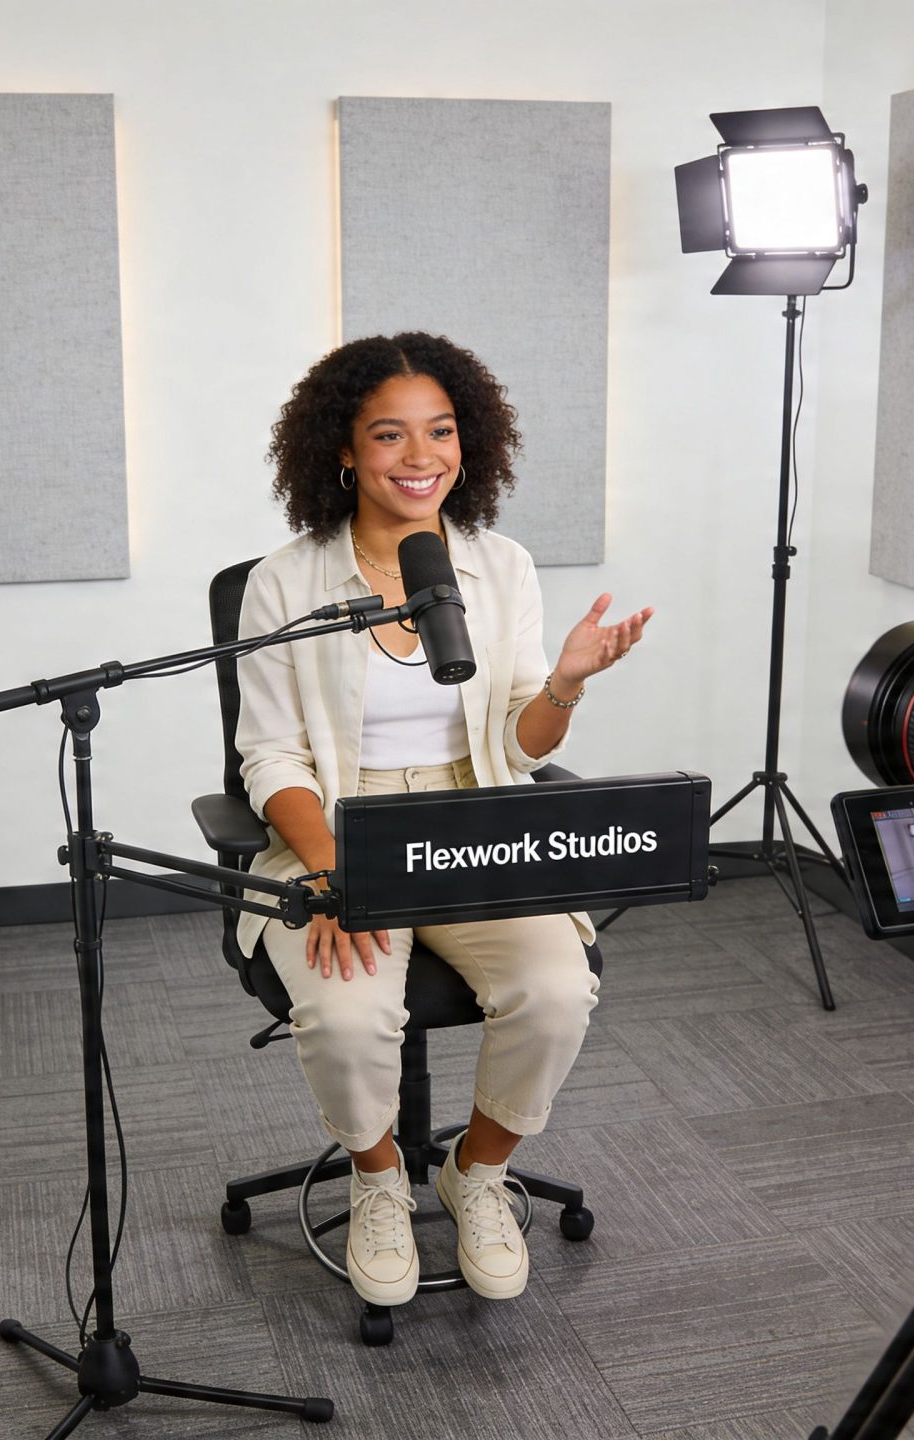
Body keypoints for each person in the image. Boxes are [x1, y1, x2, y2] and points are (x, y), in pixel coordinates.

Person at [234, 332, 651, 1308]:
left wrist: (565, 683)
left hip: (472, 821)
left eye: (440, 431)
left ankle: (479, 1169)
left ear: (470, 442)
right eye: (389, 435)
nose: (420, 457)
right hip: (333, 829)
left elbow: (522, 738)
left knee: (556, 988)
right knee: (346, 1009)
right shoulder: (285, 582)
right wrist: (339, 877)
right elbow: (271, 757)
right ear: (343, 450)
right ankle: (378, 1177)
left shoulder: (497, 566)